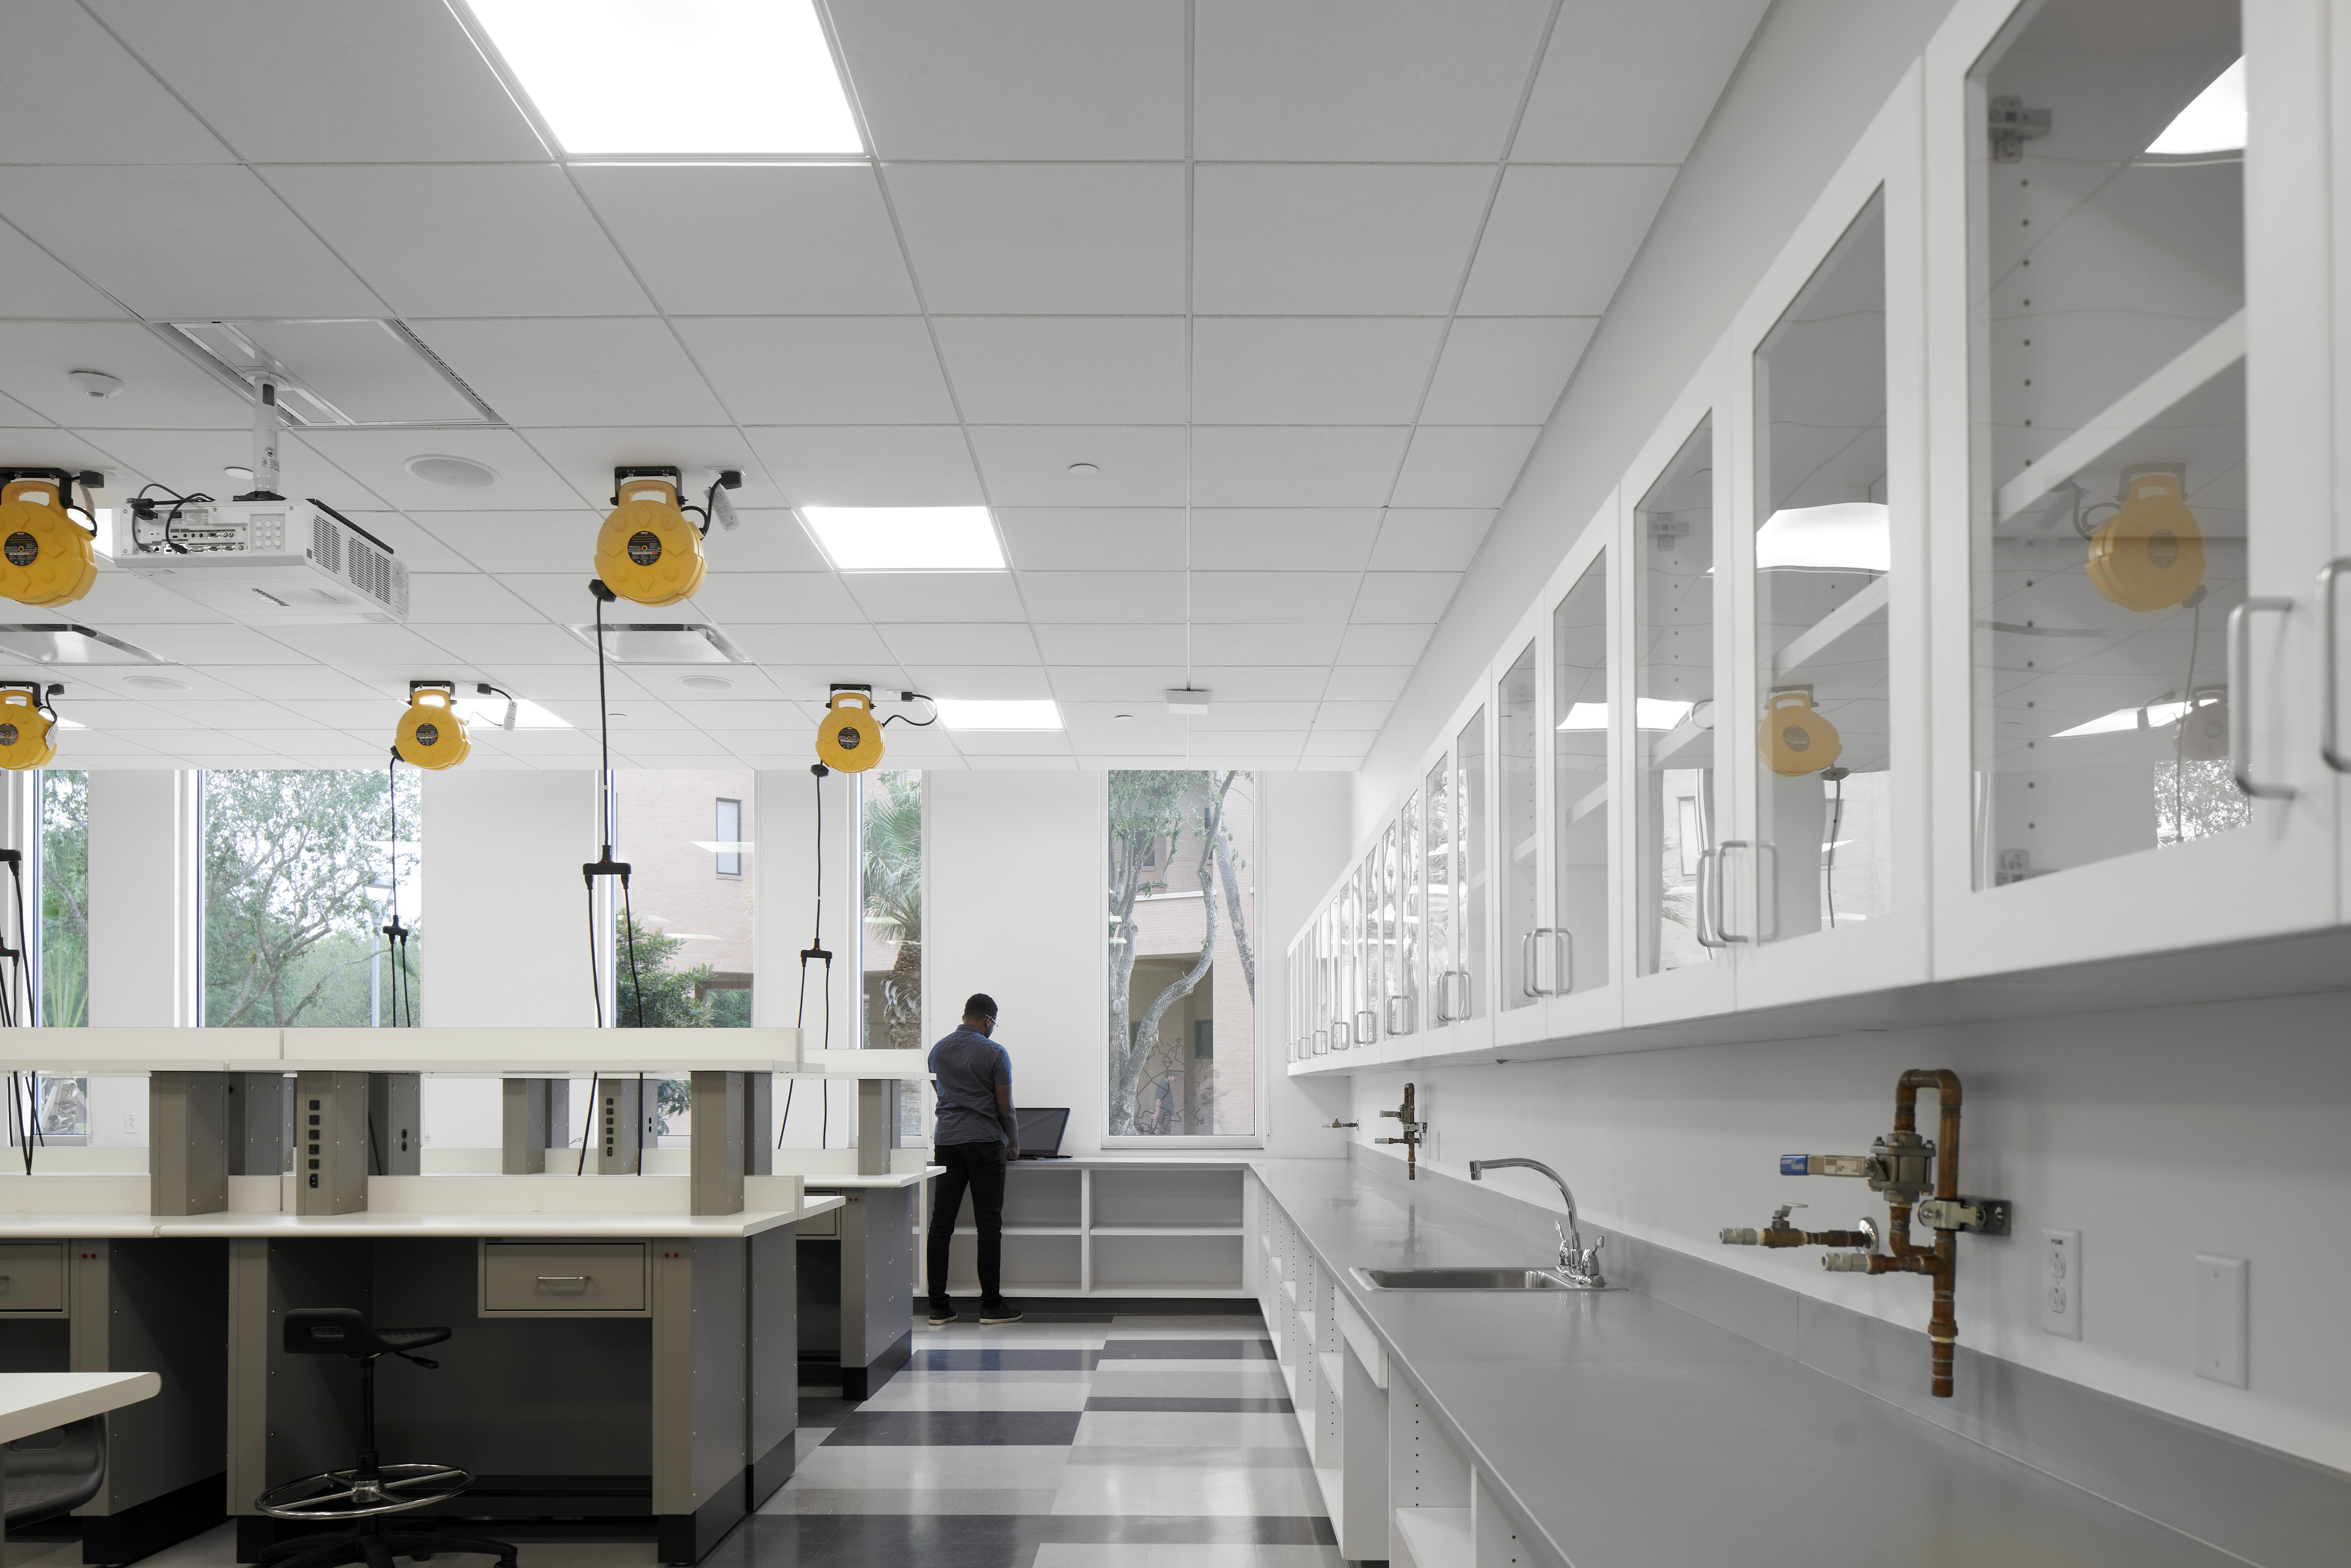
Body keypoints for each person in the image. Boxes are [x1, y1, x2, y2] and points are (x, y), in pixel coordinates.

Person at [925, 993, 1022, 1326]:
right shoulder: (994, 1052)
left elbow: (942, 1094)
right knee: (989, 1224)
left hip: (948, 1141)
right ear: (988, 1020)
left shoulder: (938, 1050)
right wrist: (1014, 1142)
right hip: (984, 1142)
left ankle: (938, 1307)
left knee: (941, 1224)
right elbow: (1005, 1108)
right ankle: (991, 1307)